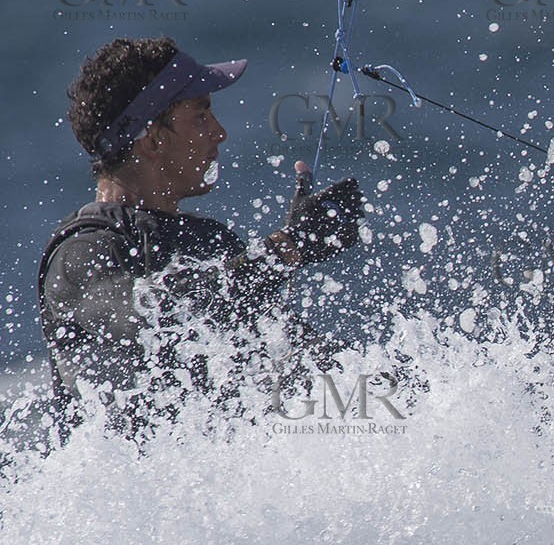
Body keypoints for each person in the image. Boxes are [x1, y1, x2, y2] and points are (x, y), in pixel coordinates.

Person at [38, 36, 365, 440]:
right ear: (153, 139)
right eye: (201, 115)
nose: (220, 133)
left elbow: (290, 348)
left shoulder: (210, 240)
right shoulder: (81, 253)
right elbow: (156, 311)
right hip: (131, 494)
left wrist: (416, 393)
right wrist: (287, 249)